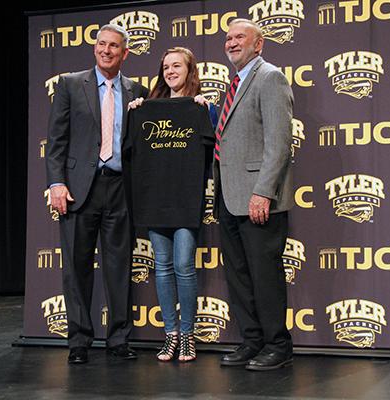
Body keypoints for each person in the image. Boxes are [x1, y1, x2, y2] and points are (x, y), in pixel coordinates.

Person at [45, 24, 148, 365]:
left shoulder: (137, 90)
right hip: (78, 189)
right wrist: (56, 183)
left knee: (119, 266)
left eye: (114, 46)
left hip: (120, 187)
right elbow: (56, 141)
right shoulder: (71, 84)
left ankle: (118, 338)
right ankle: (79, 340)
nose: (106, 50)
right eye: (101, 44)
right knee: (76, 267)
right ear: (94, 48)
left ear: (125, 53)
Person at [213, 19, 294, 371]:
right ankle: (252, 341)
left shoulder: (270, 77)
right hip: (229, 198)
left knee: (264, 275)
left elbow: (279, 143)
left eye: (239, 37)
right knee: (240, 275)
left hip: (258, 199)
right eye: (228, 38)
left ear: (258, 44)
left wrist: (263, 192)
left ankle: (278, 344)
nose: (231, 43)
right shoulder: (233, 84)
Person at [127, 47, 215, 362]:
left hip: (185, 198)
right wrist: (136, 111)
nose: (170, 71)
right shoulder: (145, 107)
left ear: (190, 70)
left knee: (183, 266)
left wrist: (209, 110)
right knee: (162, 268)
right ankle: (171, 335)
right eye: (166, 67)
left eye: (176, 66)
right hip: (155, 198)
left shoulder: (200, 106)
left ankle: (188, 335)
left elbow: (216, 143)